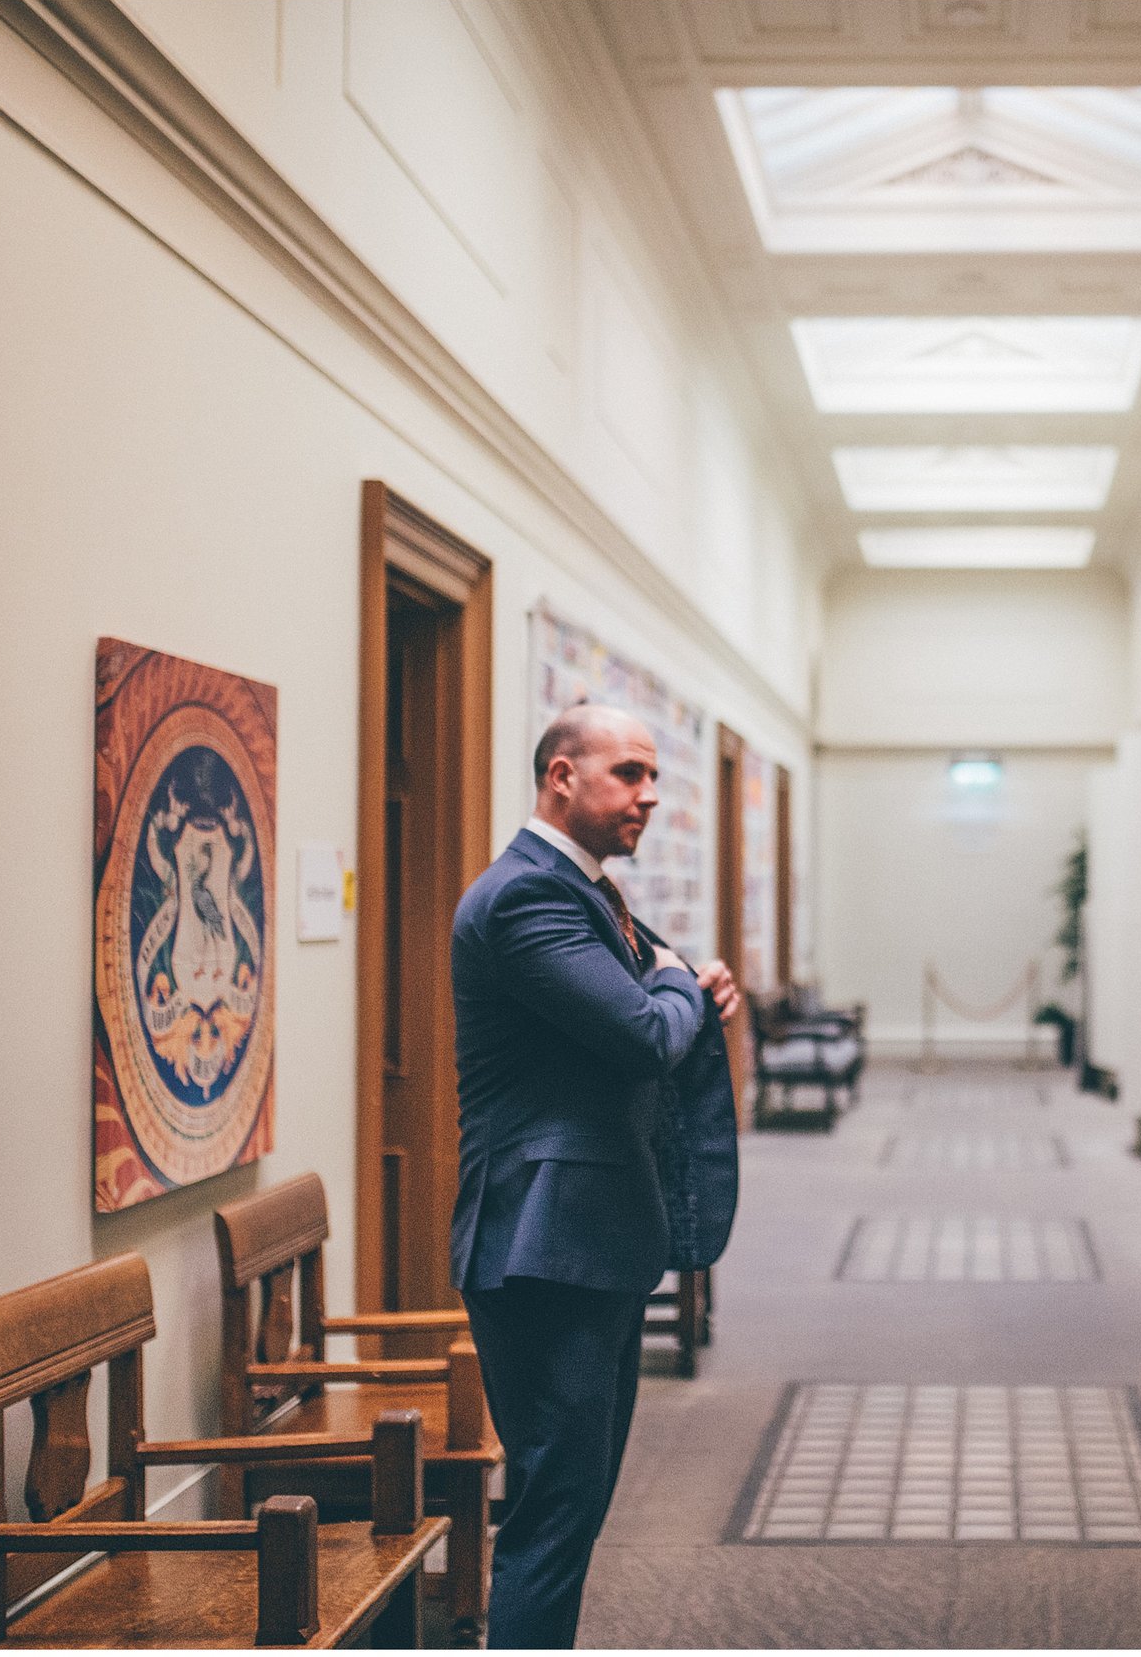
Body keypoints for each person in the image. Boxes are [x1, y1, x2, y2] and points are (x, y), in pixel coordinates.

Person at [450, 703, 741, 1648]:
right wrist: (681, 986)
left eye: (654, 776)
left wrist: (685, 984)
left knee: (570, 1509)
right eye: (628, 773)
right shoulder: (526, 895)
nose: (648, 795)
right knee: (553, 1515)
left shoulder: (584, 890)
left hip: (591, 1241)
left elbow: (650, 1001)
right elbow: (645, 1032)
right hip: (545, 1247)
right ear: (560, 777)